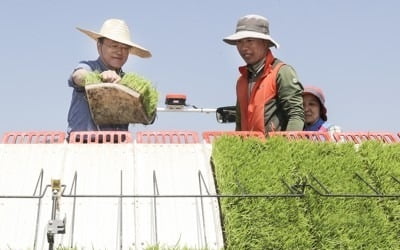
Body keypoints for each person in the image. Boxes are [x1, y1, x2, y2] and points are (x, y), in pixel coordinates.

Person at [66, 18, 151, 136]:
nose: (119, 51)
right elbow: (78, 76)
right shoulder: (89, 67)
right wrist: (99, 78)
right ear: (99, 46)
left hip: (116, 148)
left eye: (124, 48)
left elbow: (149, 116)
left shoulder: (127, 81)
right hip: (82, 145)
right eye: (114, 46)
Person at [223, 14, 304, 135]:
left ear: (265, 43)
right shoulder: (241, 81)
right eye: (239, 42)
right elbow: (239, 125)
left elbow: (296, 114)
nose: (244, 47)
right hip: (248, 151)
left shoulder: (281, 72)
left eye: (250, 41)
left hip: (275, 150)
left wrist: (288, 149)